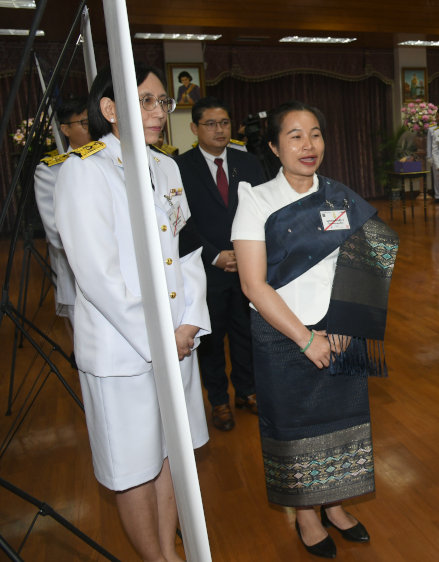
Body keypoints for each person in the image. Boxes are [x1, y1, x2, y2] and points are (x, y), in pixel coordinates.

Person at [54, 63, 210, 562]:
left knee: (170, 455)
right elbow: (96, 274)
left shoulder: (167, 167)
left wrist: (190, 322)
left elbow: (187, 251)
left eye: (163, 101)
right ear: (110, 108)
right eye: (146, 101)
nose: (159, 111)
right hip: (125, 350)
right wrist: (160, 338)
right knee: (133, 467)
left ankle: (169, 552)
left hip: (177, 340)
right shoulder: (85, 168)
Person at [232, 101, 399, 559]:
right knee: (294, 428)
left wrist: (346, 324)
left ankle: (336, 505)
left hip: (342, 329)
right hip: (284, 333)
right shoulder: (256, 200)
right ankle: (306, 515)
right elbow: (253, 284)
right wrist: (305, 339)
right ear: (273, 146)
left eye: (316, 134)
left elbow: (372, 255)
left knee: (344, 423)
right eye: (295, 136)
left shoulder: (340, 196)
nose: (308, 145)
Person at [176, 96, 266, 431]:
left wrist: (244, 253)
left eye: (225, 123)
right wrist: (213, 255)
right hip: (204, 269)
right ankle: (218, 400)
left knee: (246, 334)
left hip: (247, 267)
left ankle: (246, 391)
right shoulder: (179, 167)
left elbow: (263, 211)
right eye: (211, 124)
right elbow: (180, 222)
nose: (219, 130)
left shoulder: (250, 163)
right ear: (194, 128)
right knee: (211, 339)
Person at [34, 97, 90, 338]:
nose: (93, 129)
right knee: (87, 344)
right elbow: (57, 233)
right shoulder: (51, 170)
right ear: (65, 129)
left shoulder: (114, 161)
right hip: (78, 273)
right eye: (85, 123)